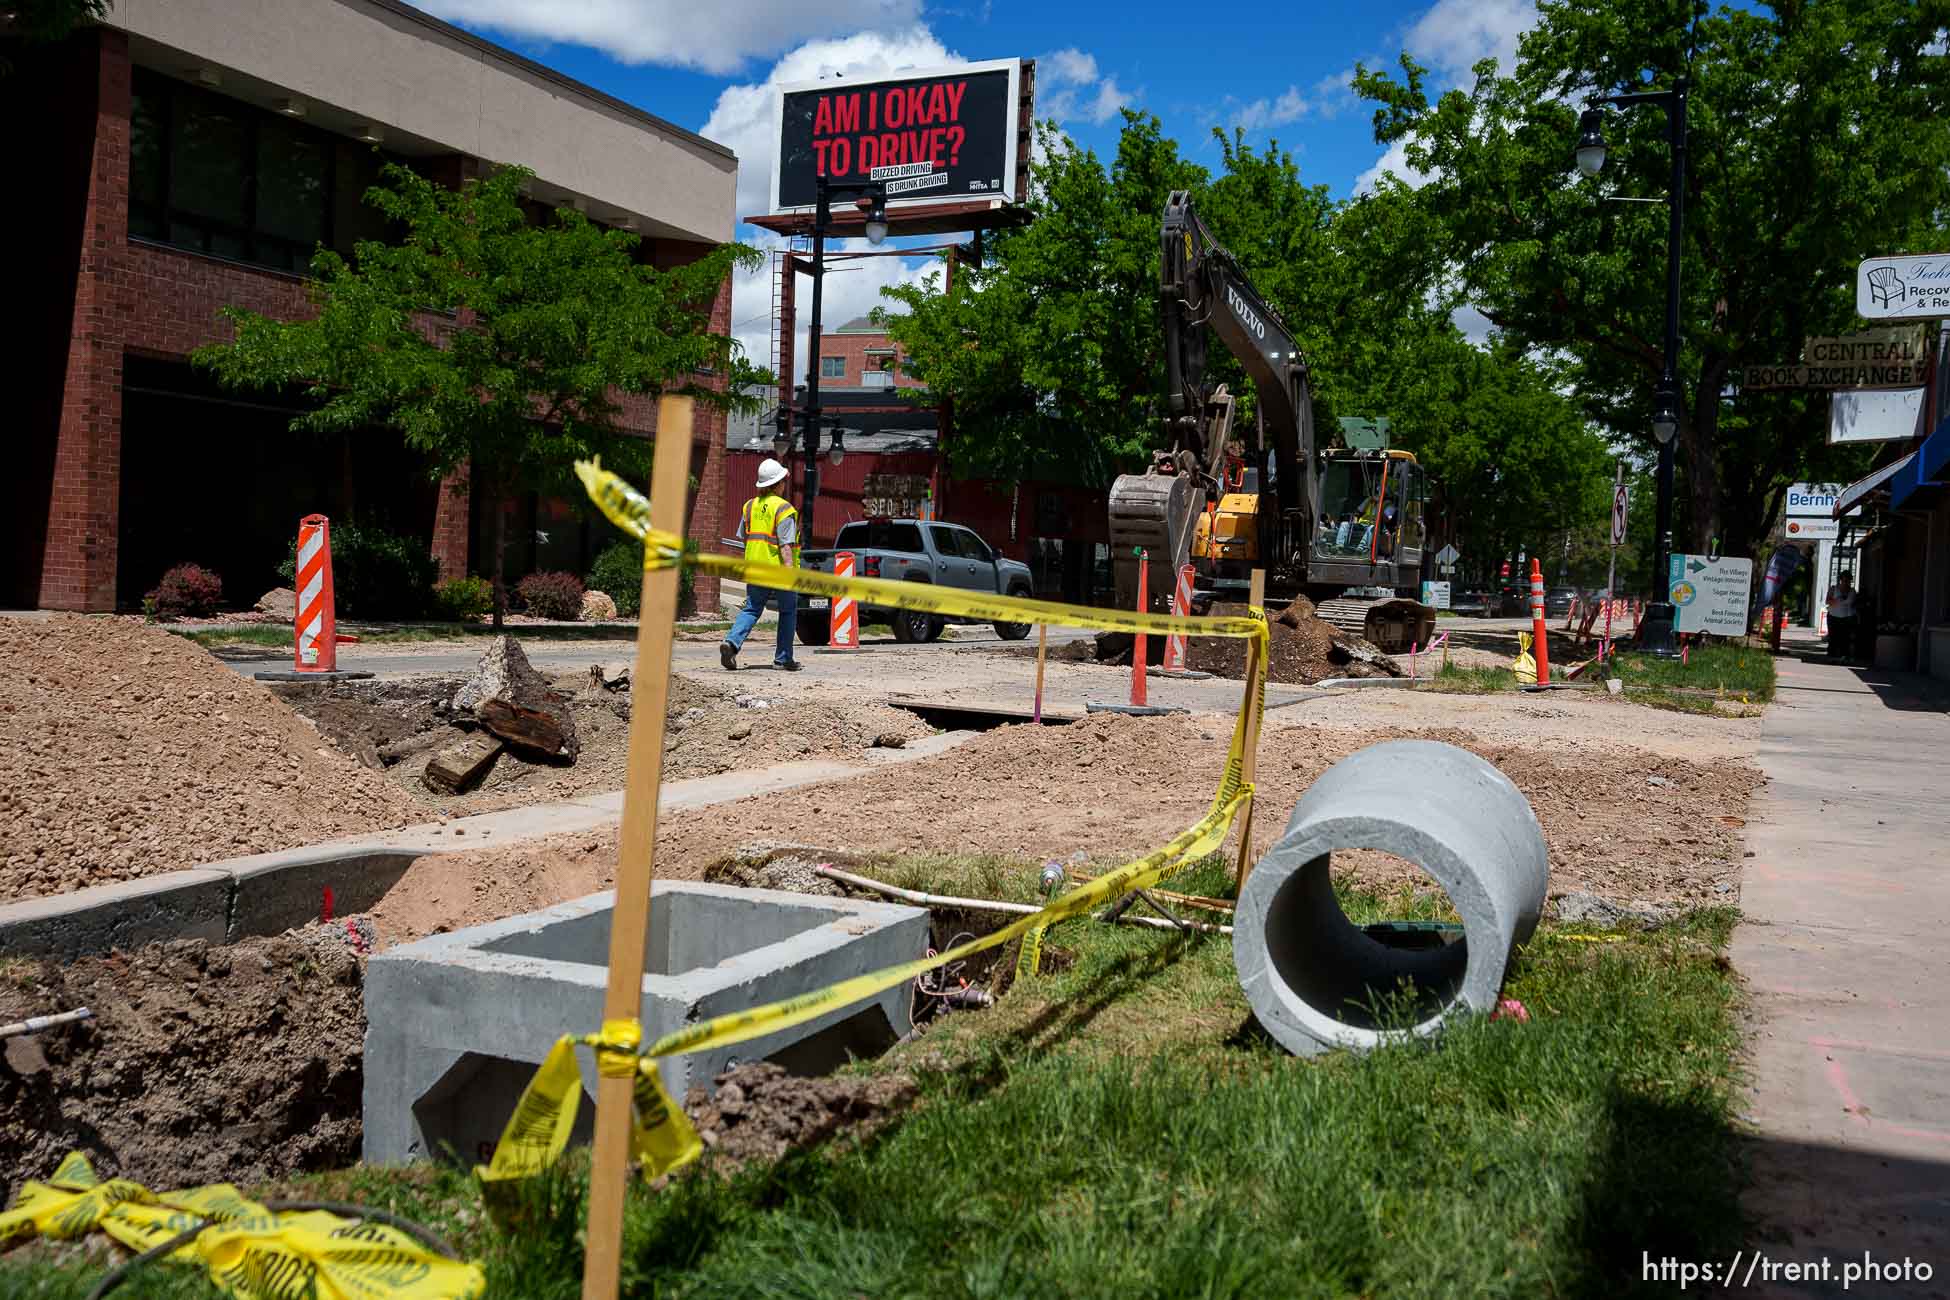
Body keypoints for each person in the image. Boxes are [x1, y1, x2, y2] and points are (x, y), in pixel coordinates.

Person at [721, 458, 802, 672]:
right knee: (787, 611)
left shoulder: (749, 507)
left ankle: (731, 643)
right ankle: (783, 658)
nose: (785, 484)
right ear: (777, 484)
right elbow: (786, 546)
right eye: (783, 480)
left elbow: (745, 539)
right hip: (777, 569)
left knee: (751, 608)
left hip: (755, 568)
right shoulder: (784, 509)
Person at [1825, 570, 1858, 661]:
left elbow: (1854, 604)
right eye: (1844, 580)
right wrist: (1837, 600)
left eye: (1848, 580)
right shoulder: (1833, 589)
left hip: (1847, 617)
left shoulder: (1852, 591)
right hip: (1833, 616)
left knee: (1845, 637)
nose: (1846, 582)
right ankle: (1832, 655)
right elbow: (1827, 601)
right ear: (1841, 580)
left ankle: (1844, 656)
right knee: (1833, 636)